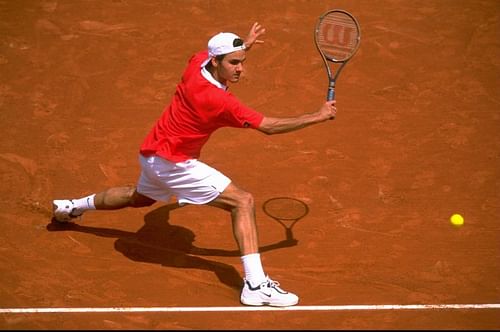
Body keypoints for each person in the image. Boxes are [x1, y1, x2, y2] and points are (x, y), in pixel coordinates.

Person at [52, 22, 337, 307]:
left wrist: (242, 45)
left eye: (242, 62)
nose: (240, 69)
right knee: (242, 201)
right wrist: (317, 116)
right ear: (216, 62)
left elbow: (209, 54)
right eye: (234, 63)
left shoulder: (196, 64)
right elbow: (269, 127)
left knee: (137, 198)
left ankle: (72, 207)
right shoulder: (218, 101)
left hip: (151, 153)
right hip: (175, 164)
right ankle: (255, 285)